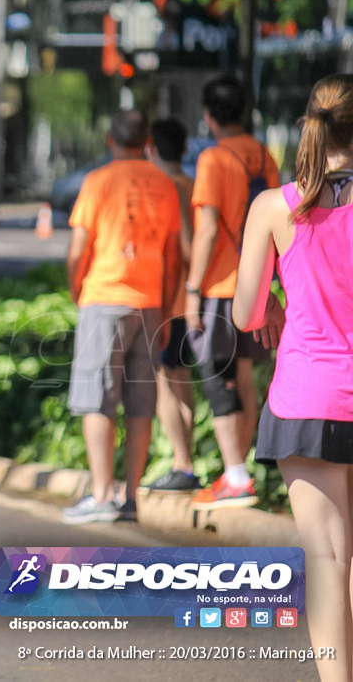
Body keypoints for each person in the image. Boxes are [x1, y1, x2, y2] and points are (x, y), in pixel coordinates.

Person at [233, 74, 353, 682]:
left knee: (327, 556)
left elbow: (246, 314)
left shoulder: (276, 208)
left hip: (309, 397)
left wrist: (280, 303)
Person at [62, 109, 181, 524]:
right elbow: (173, 256)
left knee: (98, 398)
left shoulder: (97, 181)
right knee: (140, 401)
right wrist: (165, 309)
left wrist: (78, 291)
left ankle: (100, 494)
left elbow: (79, 250)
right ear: (147, 142)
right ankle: (131, 497)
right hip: (150, 303)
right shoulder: (164, 184)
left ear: (110, 140)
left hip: (104, 297)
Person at [185, 75, 280, 510]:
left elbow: (206, 231)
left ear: (209, 116)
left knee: (217, 377)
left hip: (222, 286)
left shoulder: (213, 158)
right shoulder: (263, 155)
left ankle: (236, 475)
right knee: (243, 376)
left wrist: (191, 290)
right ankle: (238, 470)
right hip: (258, 283)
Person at [142, 117, 201, 492]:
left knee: (165, 381)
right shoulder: (193, 182)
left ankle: (183, 465)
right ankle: (187, 465)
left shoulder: (169, 186)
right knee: (180, 380)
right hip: (189, 298)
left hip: (172, 300)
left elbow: (184, 244)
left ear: (150, 147)